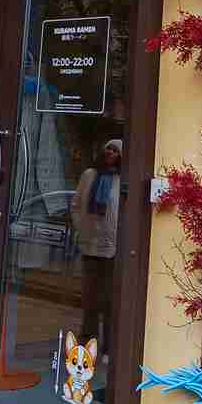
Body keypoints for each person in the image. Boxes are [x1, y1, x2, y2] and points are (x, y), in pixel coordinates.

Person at [71, 138, 121, 355]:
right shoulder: (89, 175)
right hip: (89, 246)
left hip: (113, 250)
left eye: (115, 150)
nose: (110, 152)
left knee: (109, 301)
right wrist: (81, 227)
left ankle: (109, 348)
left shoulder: (122, 179)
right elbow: (76, 204)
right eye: (108, 148)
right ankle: (87, 345)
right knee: (90, 300)